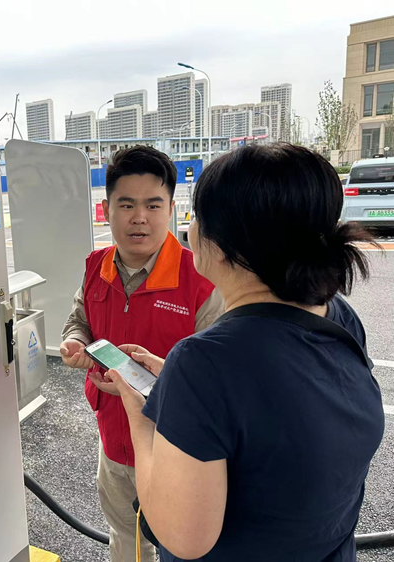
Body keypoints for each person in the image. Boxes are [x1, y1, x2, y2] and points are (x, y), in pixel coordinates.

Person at [106, 144, 385, 561]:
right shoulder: (339, 315)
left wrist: (141, 417)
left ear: (222, 244)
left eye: (197, 216)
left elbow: (183, 537)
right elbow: (276, 410)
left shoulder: (204, 362)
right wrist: (182, 394)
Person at [60, 146, 223, 562]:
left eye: (152, 205)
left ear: (171, 209)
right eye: (126, 204)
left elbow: (219, 381)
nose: (139, 218)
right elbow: (79, 316)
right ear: (106, 210)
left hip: (177, 449)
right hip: (113, 443)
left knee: (181, 547)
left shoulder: (200, 280)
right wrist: (76, 340)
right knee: (125, 537)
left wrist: (148, 388)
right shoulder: (96, 267)